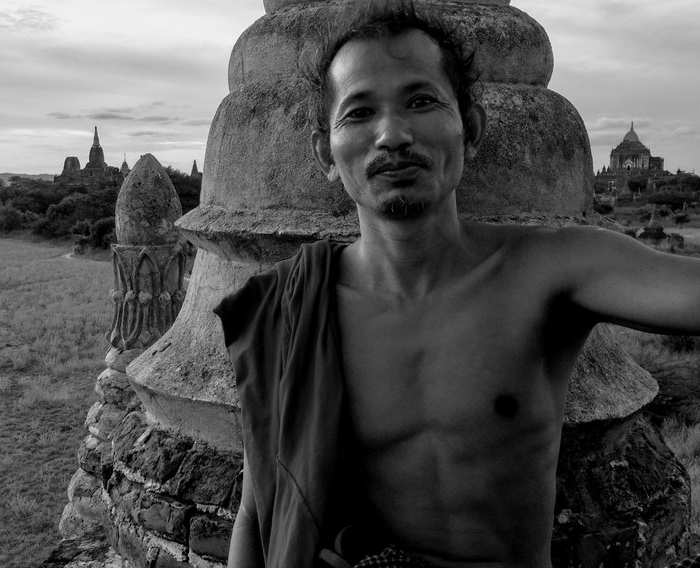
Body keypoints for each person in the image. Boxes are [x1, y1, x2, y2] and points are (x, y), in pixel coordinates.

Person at [213, 4, 700, 568]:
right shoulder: (290, 310)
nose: (392, 134)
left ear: (470, 128)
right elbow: (256, 514)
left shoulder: (552, 268)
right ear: (327, 151)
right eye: (359, 112)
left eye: (421, 102)